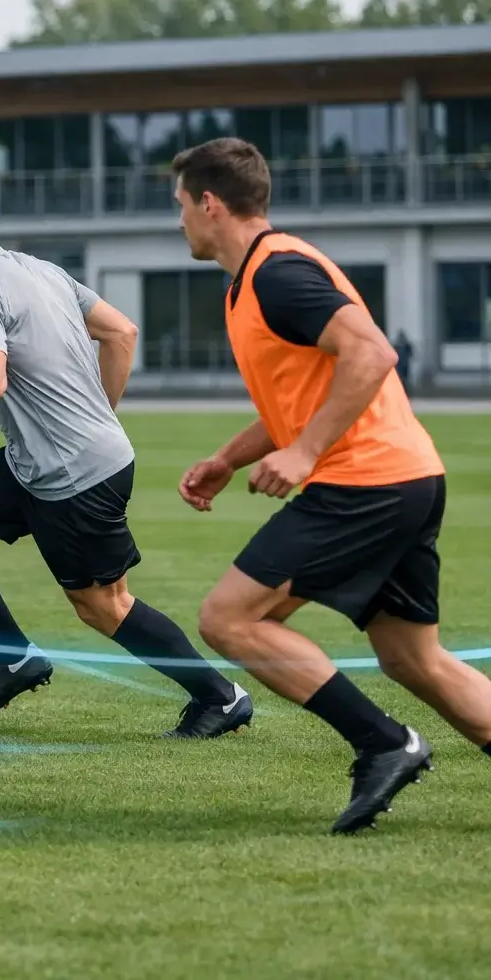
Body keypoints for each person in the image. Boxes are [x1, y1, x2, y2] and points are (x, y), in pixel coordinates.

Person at [173, 137, 491, 833]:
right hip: (404, 477)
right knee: (413, 657)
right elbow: (302, 394)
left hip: (365, 481)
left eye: (181, 206)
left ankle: (385, 743)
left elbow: (373, 353)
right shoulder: (257, 278)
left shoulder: (277, 274)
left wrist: (309, 450)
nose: (180, 224)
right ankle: (387, 739)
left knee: (229, 618)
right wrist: (230, 458)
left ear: (209, 202)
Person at [0, 171, 252, 738]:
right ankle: (14, 658)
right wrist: (100, 413)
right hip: (35, 460)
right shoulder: (40, 271)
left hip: (75, 475)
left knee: (104, 606)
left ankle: (220, 698)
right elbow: (122, 332)